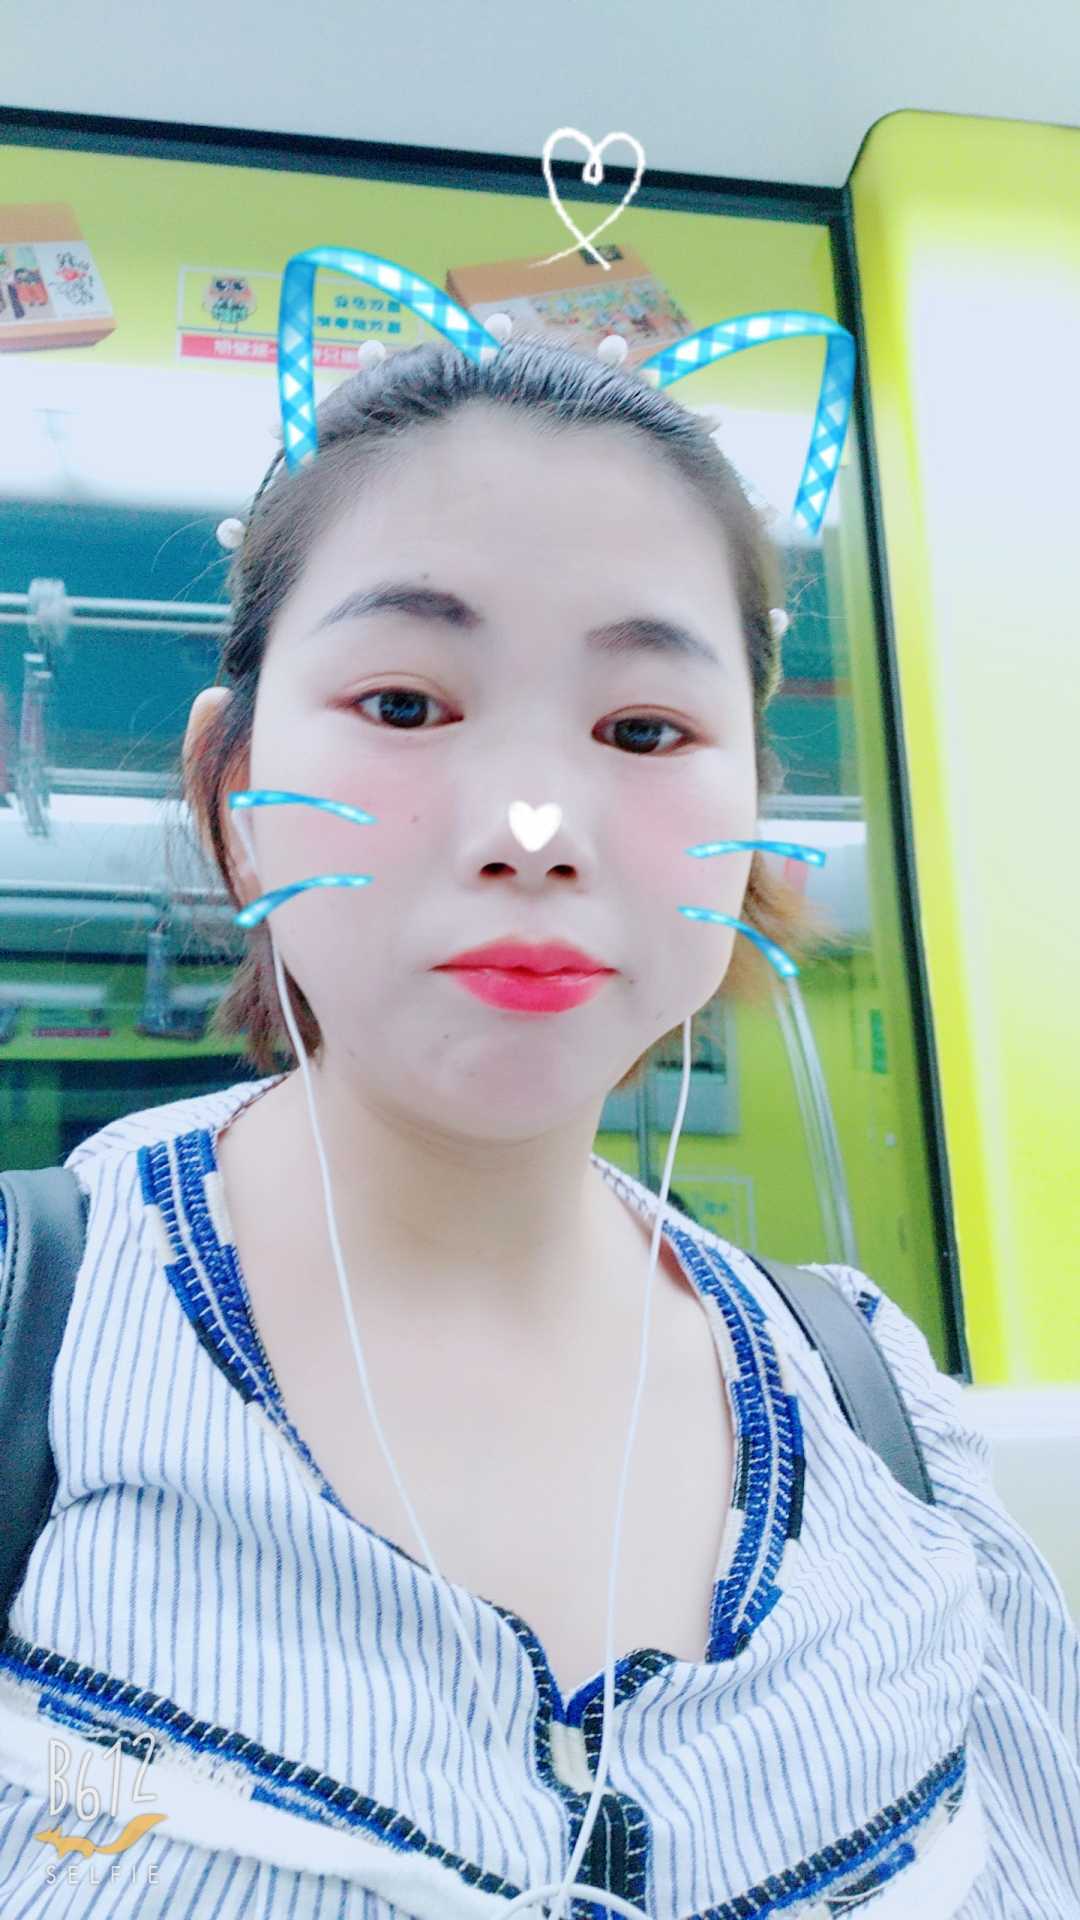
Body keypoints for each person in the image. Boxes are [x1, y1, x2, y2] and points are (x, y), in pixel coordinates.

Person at [1, 334, 1077, 1917]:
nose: (534, 830)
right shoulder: (34, 1331)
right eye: (404, 702)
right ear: (233, 796)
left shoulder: (888, 1424)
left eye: (643, 732)